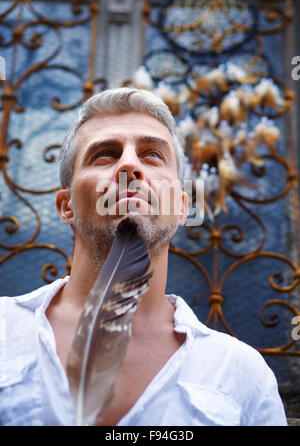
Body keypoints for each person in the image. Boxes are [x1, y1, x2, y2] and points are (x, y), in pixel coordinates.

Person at [0, 88, 287, 426]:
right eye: (105, 154)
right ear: (67, 207)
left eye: (152, 154)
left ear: (182, 208)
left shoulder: (241, 375)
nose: (129, 165)